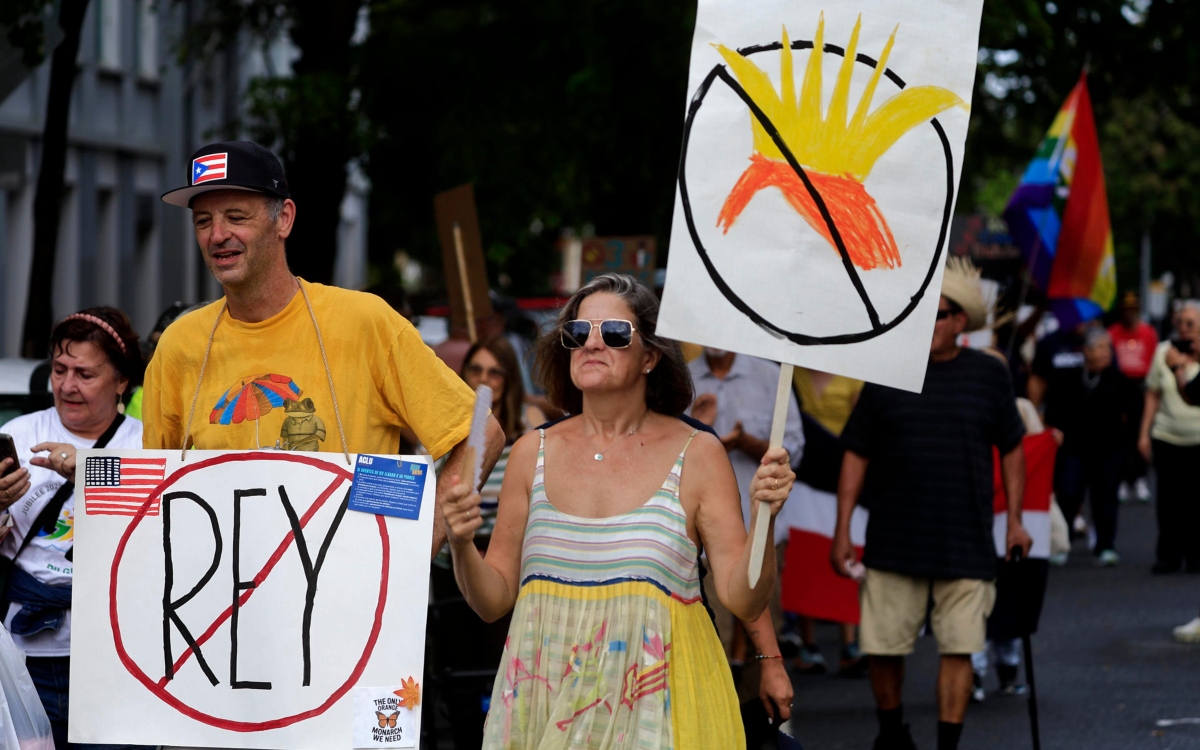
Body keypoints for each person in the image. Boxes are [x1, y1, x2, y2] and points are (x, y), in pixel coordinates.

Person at [442, 273, 796, 748]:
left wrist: (765, 516)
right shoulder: (530, 452)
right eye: (577, 332)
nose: (591, 343)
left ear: (650, 356)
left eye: (614, 333)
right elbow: (493, 602)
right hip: (543, 715)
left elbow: (743, 598)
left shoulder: (698, 453)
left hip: (659, 719)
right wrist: (462, 543)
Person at [145, 141, 504, 558]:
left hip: (348, 588)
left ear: (284, 219)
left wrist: (412, 555)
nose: (217, 235)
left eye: (236, 217)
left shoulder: (364, 322)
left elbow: (482, 433)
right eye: (203, 221)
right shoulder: (180, 344)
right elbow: (152, 490)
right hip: (222, 592)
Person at [831, 259, 1031, 750]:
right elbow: (856, 452)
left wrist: (1016, 522)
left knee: (960, 648)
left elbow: (1013, 447)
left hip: (965, 540)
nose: (925, 323)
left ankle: (947, 746)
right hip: (894, 538)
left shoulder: (989, 374)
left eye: (936, 314)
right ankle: (891, 733)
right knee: (882, 647)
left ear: (960, 321)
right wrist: (842, 530)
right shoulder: (887, 372)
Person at [0, 307, 148, 750]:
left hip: (117, 661)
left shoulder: (145, 443)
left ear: (121, 381)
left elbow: (160, 535)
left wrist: (89, 472)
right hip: (25, 659)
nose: (67, 386)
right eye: (59, 369)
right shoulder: (19, 434)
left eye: (85, 374)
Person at [430, 335, 542, 749]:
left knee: (502, 668)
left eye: (495, 372)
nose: (484, 379)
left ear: (509, 379)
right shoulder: (444, 429)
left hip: (505, 563)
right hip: (450, 565)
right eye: (476, 369)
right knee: (457, 670)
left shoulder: (528, 431)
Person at [687, 348, 802, 724]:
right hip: (700, 542)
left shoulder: (770, 376)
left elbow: (795, 450)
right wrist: (703, 432)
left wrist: (747, 443)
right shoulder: (682, 379)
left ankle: (760, 728)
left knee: (765, 641)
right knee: (709, 640)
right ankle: (714, 727)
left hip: (763, 532)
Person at [784, 367, 867, 677]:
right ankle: (808, 644)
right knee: (805, 557)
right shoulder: (791, 372)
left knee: (845, 552)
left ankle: (849, 643)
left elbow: (863, 425)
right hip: (804, 475)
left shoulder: (853, 375)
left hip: (843, 476)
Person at [1041, 326, 1135, 566]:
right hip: (1075, 448)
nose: (1106, 352)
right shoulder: (1069, 377)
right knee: (1069, 493)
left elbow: (1130, 413)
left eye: (1108, 348)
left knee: (1105, 497)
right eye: (1100, 348)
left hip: (1109, 449)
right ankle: (1062, 543)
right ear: (1086, 351)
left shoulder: (1118, 379)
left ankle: (1106, 545)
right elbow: (1054, 409)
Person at [1137, 301, 1200, 574]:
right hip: (1168, 436)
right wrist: (1144, 432)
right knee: (1169, 501)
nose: (1184, 328)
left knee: (1195, 501)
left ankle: (1195, 554)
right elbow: (1153, 393)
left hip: (1197, 438)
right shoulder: (1164, 351)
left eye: (1190, 323)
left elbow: (1192, 395)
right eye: (1179, 323)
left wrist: (1179, 369)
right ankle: (1169, 554)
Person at [1107, 291, 1158, 503]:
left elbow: (1154, 361)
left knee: (1141, 433)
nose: (1130, 313)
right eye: (1126, 309)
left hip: (1141, 386)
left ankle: (1140, 477)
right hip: (1119, 387)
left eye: (1133, 309)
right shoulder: (1112, 333)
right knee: (1120, 435)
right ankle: (1123, 478)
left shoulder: (1148, 333)